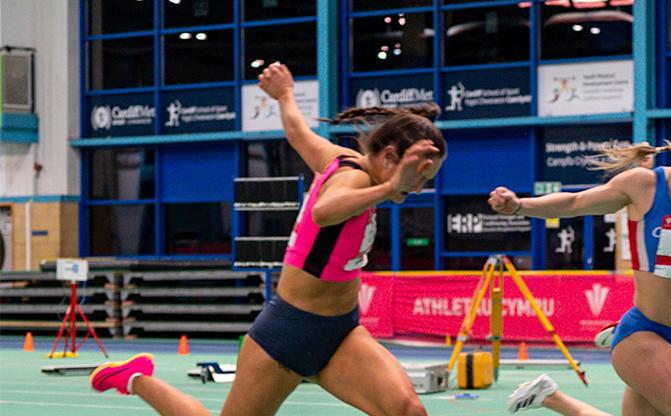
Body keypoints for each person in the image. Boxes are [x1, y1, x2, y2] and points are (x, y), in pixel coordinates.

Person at [88, 62, 446, 416]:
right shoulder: (352, 180)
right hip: (285, 336)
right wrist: (389, 187)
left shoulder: (339, 157)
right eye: (417, 176)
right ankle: (136, 378)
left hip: (340, 332)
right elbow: (326, 211)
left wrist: (285, 95)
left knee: (408, 411)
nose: (417, 187)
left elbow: (297, 133)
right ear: (388, 157)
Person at [489, 113, 671, 415]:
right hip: (642, 337)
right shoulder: (644, 186)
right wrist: (519, 206)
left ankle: (552, 397)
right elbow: (575, 203)